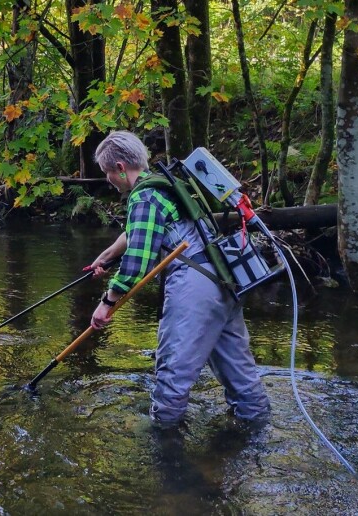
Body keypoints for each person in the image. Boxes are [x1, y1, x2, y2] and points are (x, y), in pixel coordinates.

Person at [88, 130, 270, 429]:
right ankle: (257, 433)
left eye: (107, 172)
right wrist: (106, 256)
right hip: (223, 280)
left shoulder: (143, 196)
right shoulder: (164, 186)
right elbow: (138, 232)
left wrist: (107, 303)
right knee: (240, 375)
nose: (108, 180)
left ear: (120, 167)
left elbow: (138, 262)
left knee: (171, 373)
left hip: (194, 288)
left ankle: (167, 454)